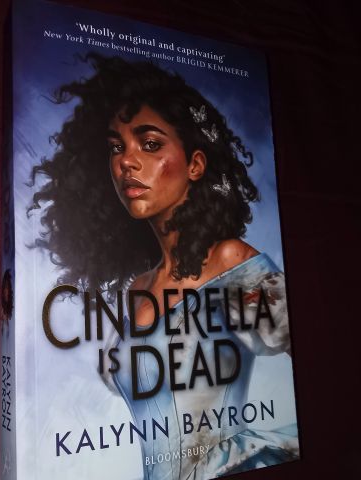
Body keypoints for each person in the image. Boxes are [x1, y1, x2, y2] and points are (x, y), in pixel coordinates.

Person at [31, 53, 298, 479]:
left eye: (150, 144)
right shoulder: (138, 289)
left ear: (195, 164)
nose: (126, 161)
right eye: (116, 147)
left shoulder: (228, 260)